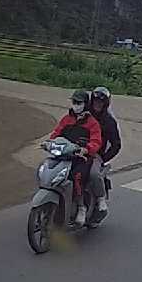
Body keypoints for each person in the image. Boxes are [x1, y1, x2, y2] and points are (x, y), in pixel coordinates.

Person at [46, 90, 103, 226]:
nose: (75, 105)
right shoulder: (67, 119)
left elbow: (96, 141)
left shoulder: (92, 123)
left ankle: (81, 207)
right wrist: (48, 143)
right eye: (74, 102)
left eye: (78, 103)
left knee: (77, 176)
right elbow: (56, 133)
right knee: (46, 167)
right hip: (64, 155)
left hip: (81, 157)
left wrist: (86, 149)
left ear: (85, 104)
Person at [87, 86, 121, 217]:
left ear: (105, 104)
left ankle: (101, 200)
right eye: (96, 101)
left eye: (101, 102)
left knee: (94, 174)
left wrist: (102, 158)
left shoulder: (109, 121)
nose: (97, 104)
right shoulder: (84, 115)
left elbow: (116, 145)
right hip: (76, 151)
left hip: (95, 155)